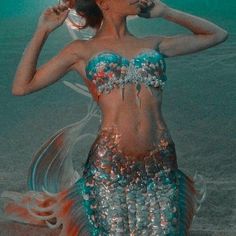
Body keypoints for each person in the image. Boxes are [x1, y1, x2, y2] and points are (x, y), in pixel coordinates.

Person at [1, 0, 228, 235]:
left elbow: (217, 35)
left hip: (161, 159)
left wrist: (166, 12)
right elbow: (21, 86)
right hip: (111, 162)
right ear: (103, 2)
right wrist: (43, 30)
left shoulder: (152, 43)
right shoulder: (80, 50)